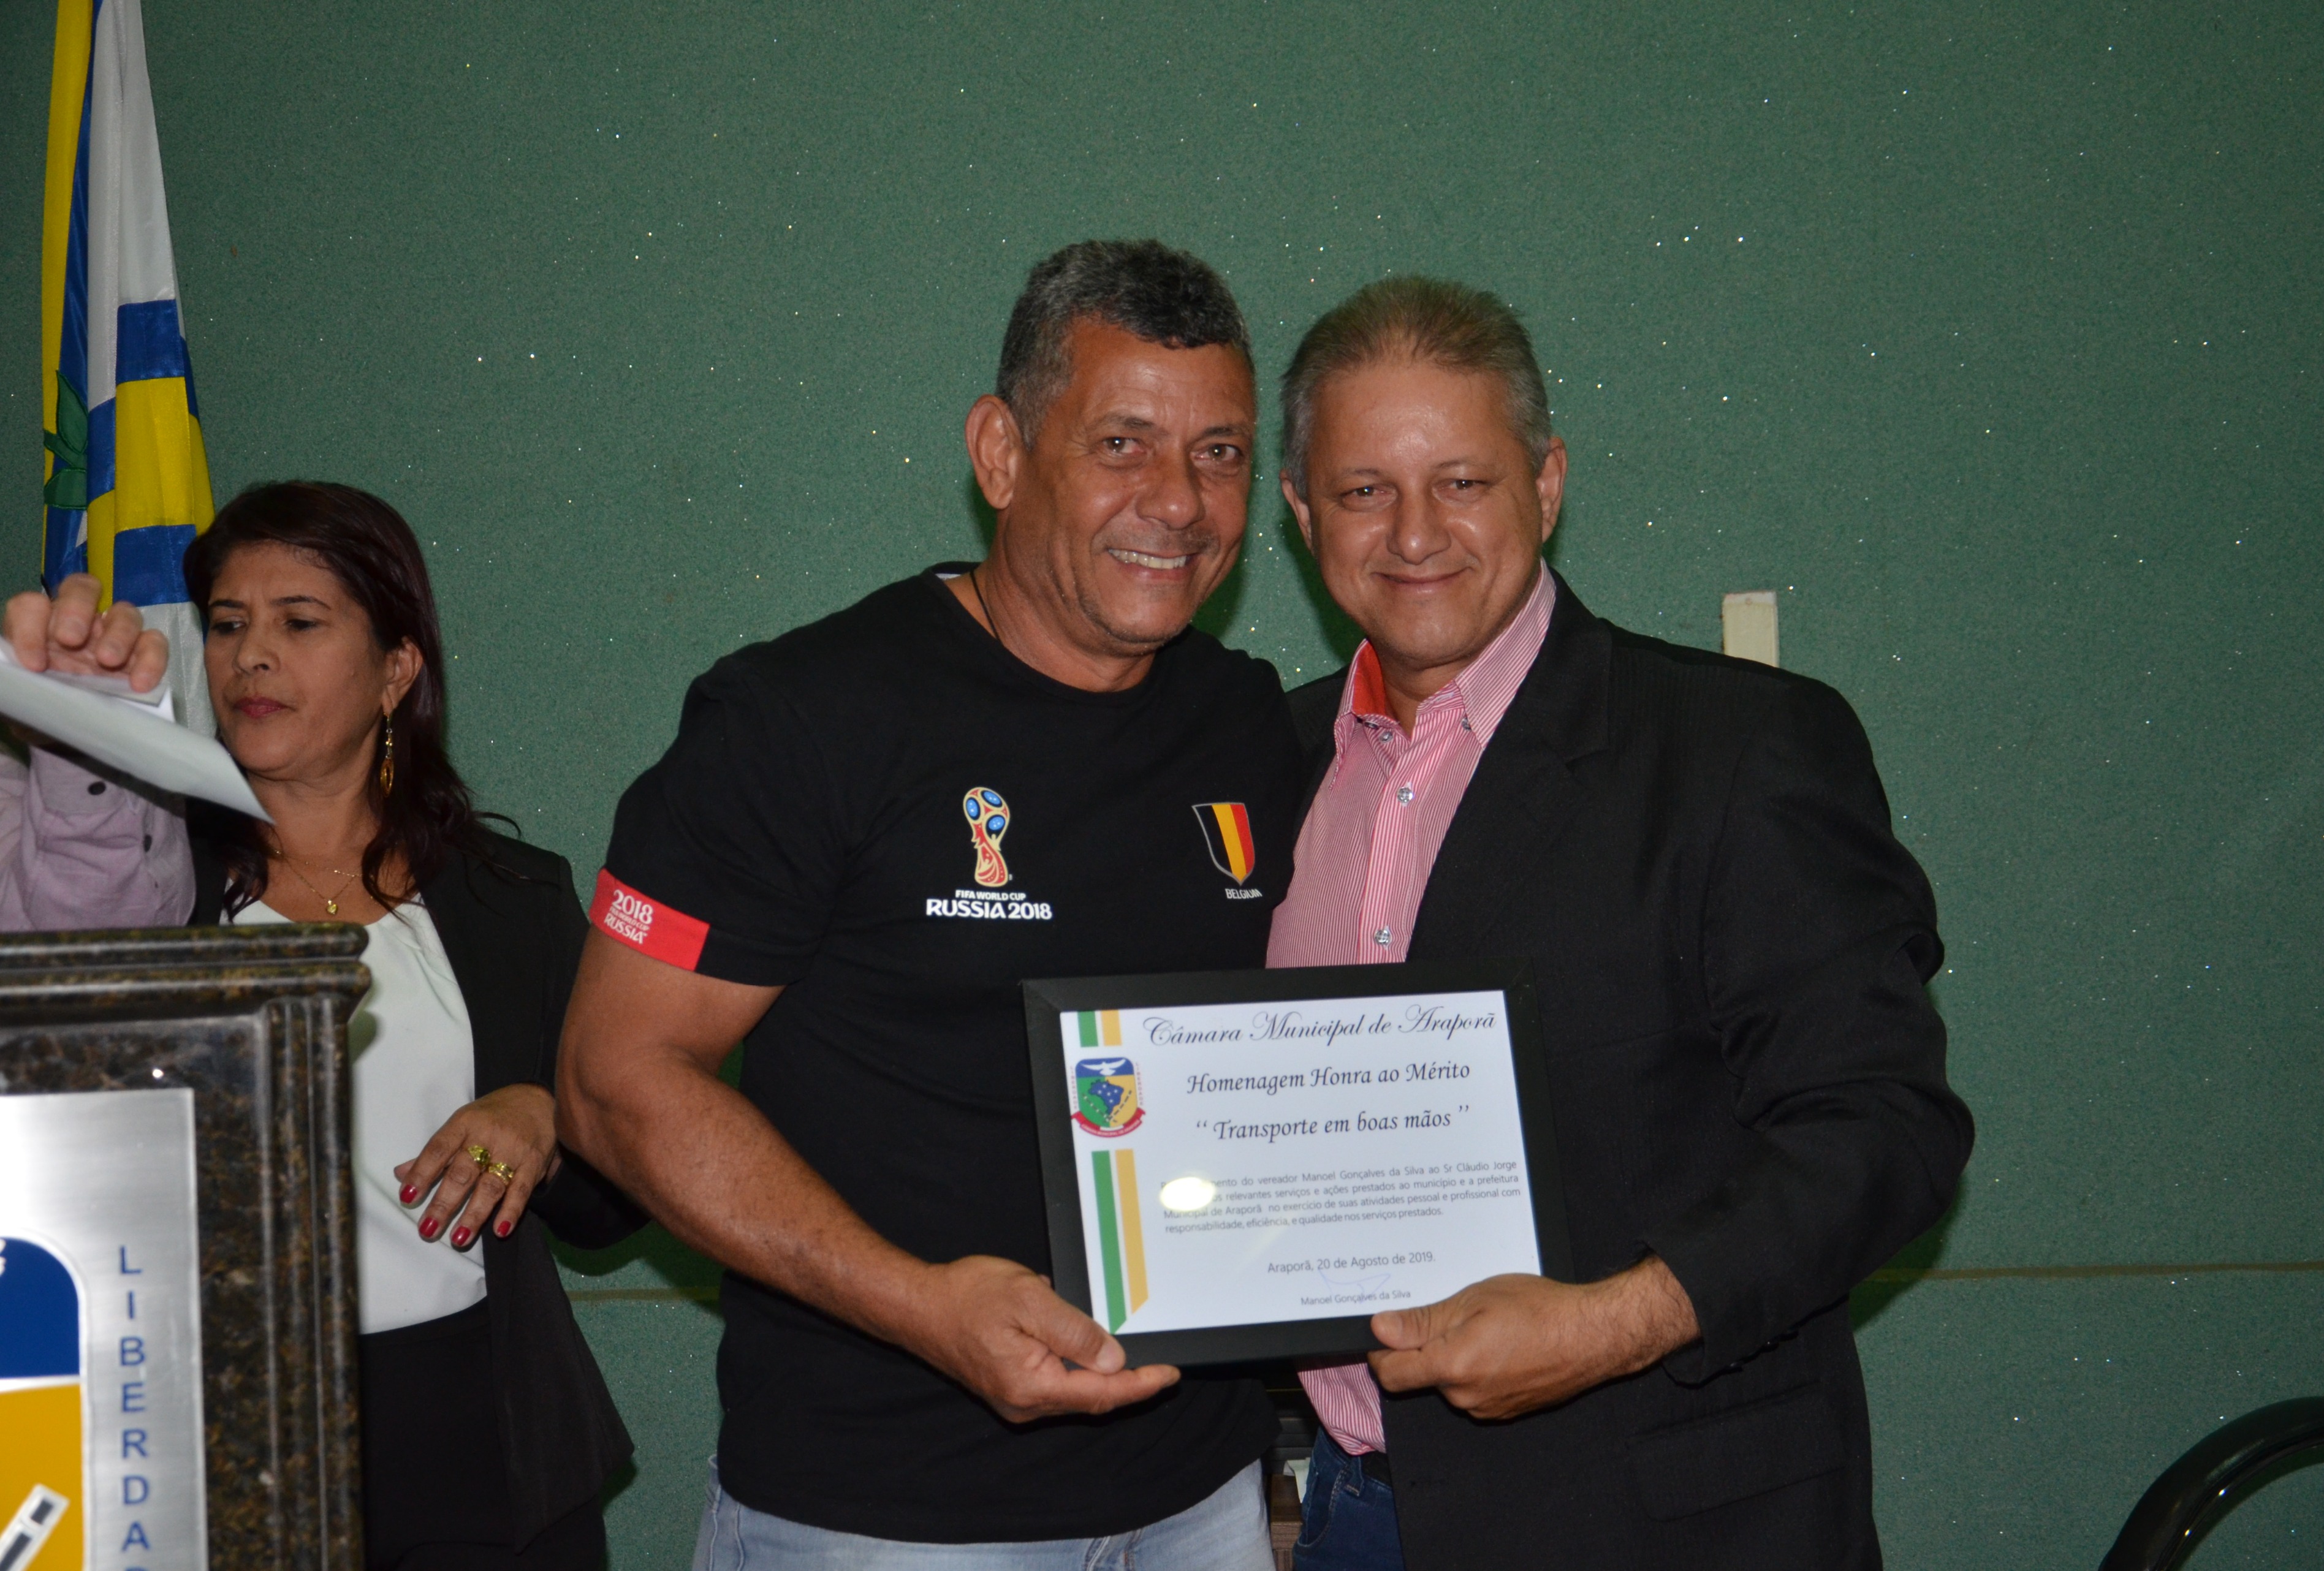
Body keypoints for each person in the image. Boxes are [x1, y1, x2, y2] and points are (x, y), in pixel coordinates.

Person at [554, 239, 1304, 1569]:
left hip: (1200, 1498)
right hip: (882, 1514)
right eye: (1122, 444)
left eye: (1221, 453)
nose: (1180, 502)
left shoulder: (1246, 724)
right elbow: (615, 1082)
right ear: (1001, 453)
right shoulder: (804, 718)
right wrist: (922, 1308)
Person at [1268, 278, 1973, 1569]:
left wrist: (1609, 1324)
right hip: (1356, 1512)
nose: (1415, 532)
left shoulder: (1739, 748)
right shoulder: (1269, 762)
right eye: (1364, 489)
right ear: (1304, 513)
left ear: (1546, 485)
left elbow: (1886, 1132)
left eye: (1464, 482)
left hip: (1663, 1524)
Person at [1, 482, 640, 1571]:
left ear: (397, 671)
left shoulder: (511, 897)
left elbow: (612, 1201)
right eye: (228, 625)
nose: (251, 656)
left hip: (483, 1446)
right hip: (213, 1436)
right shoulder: (144, 893)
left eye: (300, 622)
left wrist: (548, 1114)